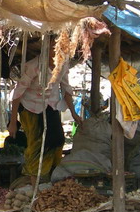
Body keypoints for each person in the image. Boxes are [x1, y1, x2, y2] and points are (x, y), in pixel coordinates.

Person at [8, 45, 83, 183]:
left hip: (51, 105)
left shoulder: (63, 65)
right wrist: (13, 122)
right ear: (47, 50)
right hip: (30, 107)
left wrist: (74, 113)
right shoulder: (33, 66)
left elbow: (66, 90)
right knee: (38, 142)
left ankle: (51, 174)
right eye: (54, 50)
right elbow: (17, 94)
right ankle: (33, 179)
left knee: (58, 140)